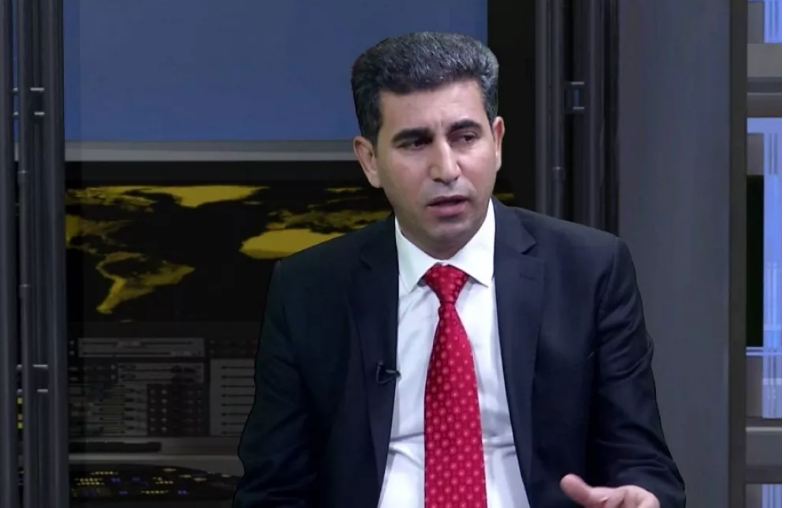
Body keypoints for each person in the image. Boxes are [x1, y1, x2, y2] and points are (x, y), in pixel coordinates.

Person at [233, 32, 684, 508]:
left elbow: (642, 462)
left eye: (465, 137)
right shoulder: (309, 289)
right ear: (370, 161)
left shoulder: (590, 271)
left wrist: (643, 498)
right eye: (414, 143)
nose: (446, 169)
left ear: (497, 141)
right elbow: (273, 488)